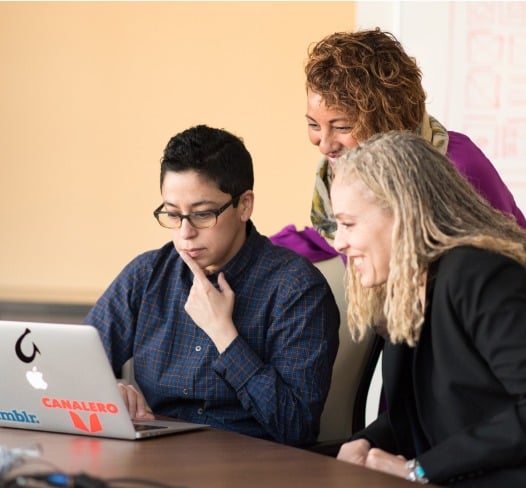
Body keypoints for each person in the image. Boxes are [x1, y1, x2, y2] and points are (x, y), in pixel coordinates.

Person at [83, 124, 339, 447]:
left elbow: (296, 426)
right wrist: (110, 391)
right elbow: (75, 366)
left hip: (253, 467)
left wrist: (224, 334)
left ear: (244, 205)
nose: (185, 233)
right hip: (156, 460)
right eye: (173, 215)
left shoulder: (296, 290)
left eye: (202, 215)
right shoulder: (147, 275)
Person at [331, 131, 526, 487]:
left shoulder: (480, 275)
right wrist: (366, 442)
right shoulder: (406, 290)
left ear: (402, 212)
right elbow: (422, 414)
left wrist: (418, 470)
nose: (338, 242)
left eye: (348, 223)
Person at [304, 28, 526, 243]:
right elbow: (322, 238)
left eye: (342, 127)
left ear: (386, 120)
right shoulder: (339, 175)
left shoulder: (457, 166)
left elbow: (503, 260)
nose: (324, 146)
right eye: (313, 125)